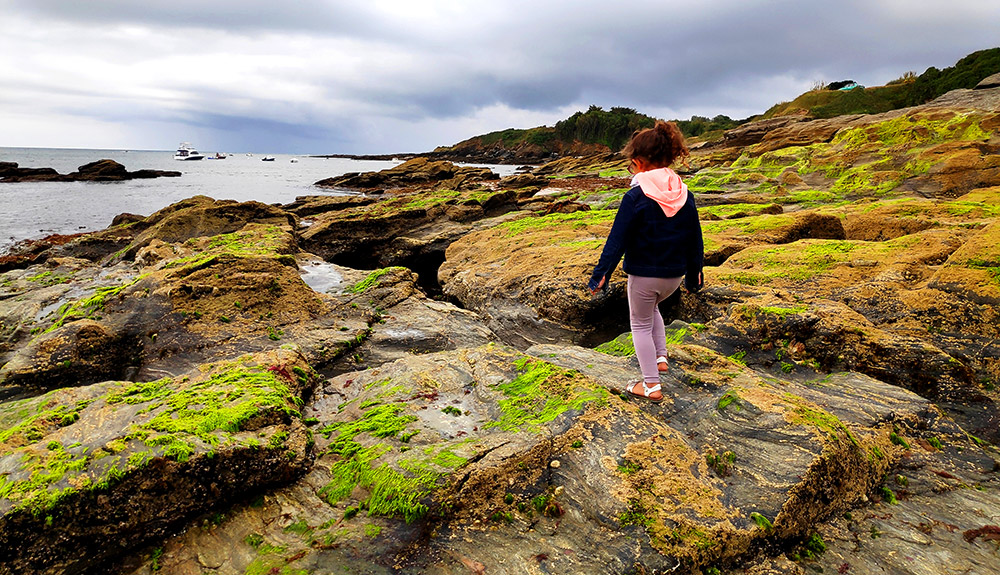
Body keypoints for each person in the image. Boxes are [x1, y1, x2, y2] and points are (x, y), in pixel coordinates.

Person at [588, 121, 704, 403]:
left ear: (638, 162)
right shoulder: (684, 193)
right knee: (653, 309)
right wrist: (694, 275)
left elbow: (617, 240)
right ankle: (661, 357)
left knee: (639, 324)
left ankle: (651, 385)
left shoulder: (636, 196)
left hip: (643, 276)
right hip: (674, 277)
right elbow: (695, 238)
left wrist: (601, 274)